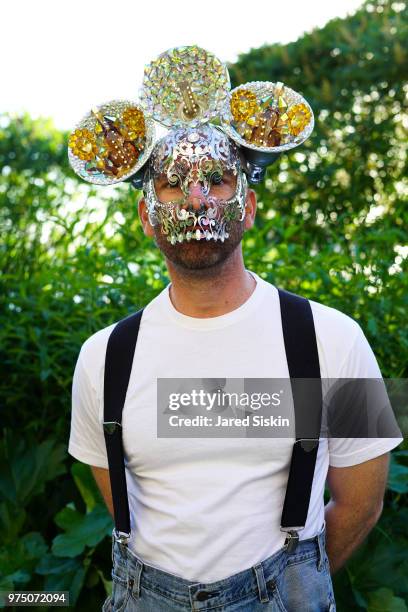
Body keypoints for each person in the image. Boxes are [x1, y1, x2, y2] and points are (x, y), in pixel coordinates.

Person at [68, 122, 403, 611]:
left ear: (247, 208)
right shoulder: (101, 356)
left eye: (218, 179)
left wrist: (289, 591)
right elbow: (121, 503)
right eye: (171, 184)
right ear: (147, 215)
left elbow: (364, 504)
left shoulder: (337, 336)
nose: (196, 200)